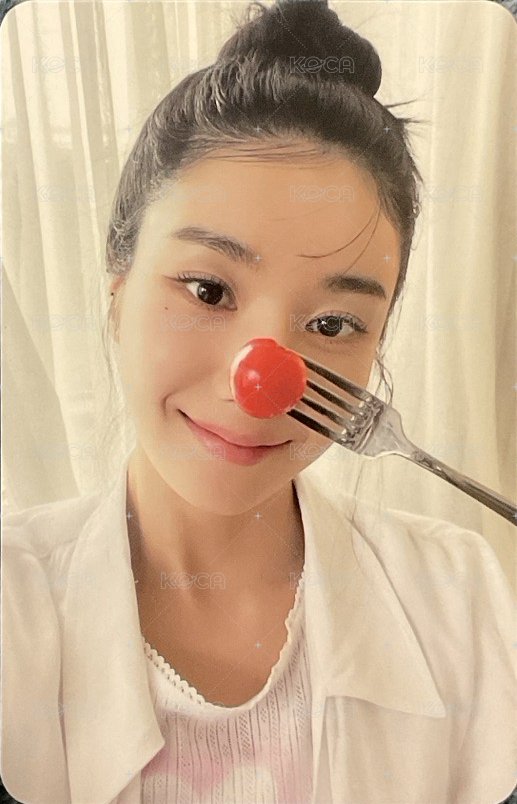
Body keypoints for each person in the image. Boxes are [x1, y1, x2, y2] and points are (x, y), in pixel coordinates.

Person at [1, 1, 516, 802]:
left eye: (333, 323)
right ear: (118, 289)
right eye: (208, 290)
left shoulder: (457, 594)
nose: (262, 383)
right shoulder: (14, 603)